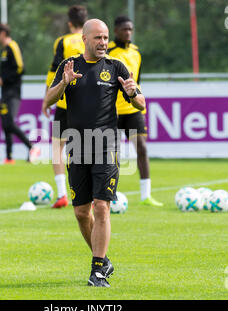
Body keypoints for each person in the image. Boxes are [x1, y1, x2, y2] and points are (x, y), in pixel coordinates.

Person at [44, 19, 146, 287]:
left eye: (105, 37)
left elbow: (141, 103)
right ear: (84, 39)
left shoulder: (116, 67)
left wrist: (133, 92)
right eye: (98, 38)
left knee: (102, 207)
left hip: (106, 144)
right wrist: (64, 83)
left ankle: (97, 270)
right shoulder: (70, 66)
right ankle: (103, 260)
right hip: (77, 144)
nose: (103, 42)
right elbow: (48, 100)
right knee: (81, 212)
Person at [107, 16, 163, 207]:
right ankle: (107, 193)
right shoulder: (108, 52)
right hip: (112, 111)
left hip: (132, 110)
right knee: (110, 154)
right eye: (124, 29)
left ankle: (146, 195)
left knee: (142, 148)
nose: (128, 32)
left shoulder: (136, 53)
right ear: (116, 31)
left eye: (130, 29)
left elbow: (136, 81)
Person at [42, 5, 87, 208]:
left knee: (57, 148)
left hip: (64, 102)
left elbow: (54, 72)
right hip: (88, 102)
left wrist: (46, 99)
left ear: (69, 23)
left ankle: (62, 194)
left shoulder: (63, 42)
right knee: (87, 147)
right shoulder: (91, 40)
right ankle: (91, 195)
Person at [0, 23, 40, 164]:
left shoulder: (13, 47)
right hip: (5, 92)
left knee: (10, 122)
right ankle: (9, 157)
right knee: (5, 124)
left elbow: (20, 68)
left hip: (13, 93)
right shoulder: (4, 50)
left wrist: (3, 79)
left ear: (2, 33)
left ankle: (33, 147)